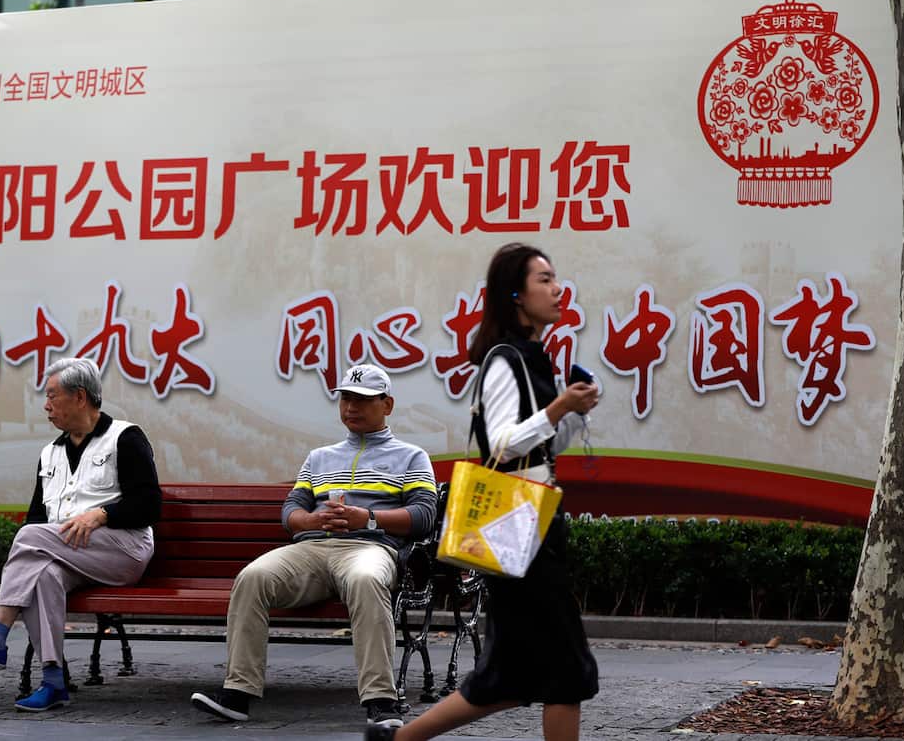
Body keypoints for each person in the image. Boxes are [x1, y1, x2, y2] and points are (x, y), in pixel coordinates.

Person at [366, 242, 601, 741]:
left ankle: (396, 740)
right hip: (520, 530)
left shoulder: (533, 357)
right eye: (545, 279)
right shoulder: (503, 360)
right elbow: (501, 443)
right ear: (515, 295)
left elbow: (538, 449)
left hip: (533, 523)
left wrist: (573, 414)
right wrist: (558, 409)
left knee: (507, 680)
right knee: (566, 674)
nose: (557, 289)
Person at [191, 363, 438, 729]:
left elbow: (424, 515)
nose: (351, 407)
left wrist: (367, 518)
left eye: (363, 400)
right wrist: (309, 521)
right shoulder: (320, 457)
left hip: (370, 548)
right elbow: (291, 508)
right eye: (346, 398)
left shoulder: (411, 456)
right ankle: (237, 694)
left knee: (366, 580)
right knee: (252, 576)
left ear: (387, 404)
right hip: (312, 549)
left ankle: (381, 701)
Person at [0, 356, 161, 712]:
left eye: (53, 395)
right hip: (68, 552)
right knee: (44, 576)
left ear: (80, 397)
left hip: (123, 550)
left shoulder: (125, 438)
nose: (46, 404)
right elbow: (38, 516)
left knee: (28, 537)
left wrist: (101, 514)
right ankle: (53, 679)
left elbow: (149, 505)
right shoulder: (49, 453)